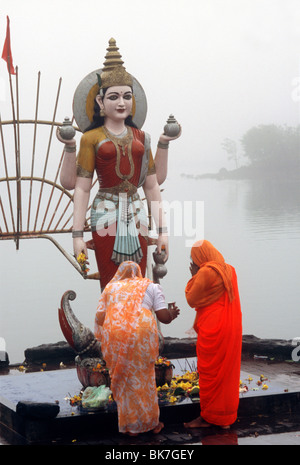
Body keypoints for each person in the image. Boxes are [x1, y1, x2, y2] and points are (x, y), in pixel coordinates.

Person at [56, 38, 181, 289]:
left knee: (139, 282)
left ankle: (137, 327)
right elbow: (80, 188)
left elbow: (152, 186)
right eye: (113, 97)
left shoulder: (141, 138)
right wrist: (77, 234)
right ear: (100, 102)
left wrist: (164, 231)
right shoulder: (92, 138)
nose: (121, 102)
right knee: (111, 283)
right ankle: (111, 327)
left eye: (127, 96)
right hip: (105, 213)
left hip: (136, 213)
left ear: (133, 100)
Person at [94, 261, 180, 436]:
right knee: (144, 378)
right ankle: (150, 423)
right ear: (138, 273)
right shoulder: (150, 286)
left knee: (124, 379)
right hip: (141, 334)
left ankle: (129, 426)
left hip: (115, 334)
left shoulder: (110, 287)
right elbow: (163, 317)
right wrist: (173, 313)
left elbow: (100, 317)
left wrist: (119, 320)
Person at [184, 240, 242, 429]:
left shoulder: (206, 272)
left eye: (194, 258)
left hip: (212, 328)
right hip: (230, 326)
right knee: (227, 374)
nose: (193, 261)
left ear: (200, 256)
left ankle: (209, 417)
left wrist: (194, 276)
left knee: (209, 372)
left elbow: (192, 299)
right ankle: (225, 418)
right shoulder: (230, 270)